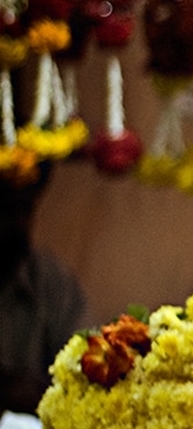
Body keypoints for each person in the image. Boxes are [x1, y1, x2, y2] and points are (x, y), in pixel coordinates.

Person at [1, 163, 87, 415]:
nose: (18, 224)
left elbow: (85, 372)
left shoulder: (50, 281)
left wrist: (40, 392)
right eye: (4, 210)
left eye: (26, 209)